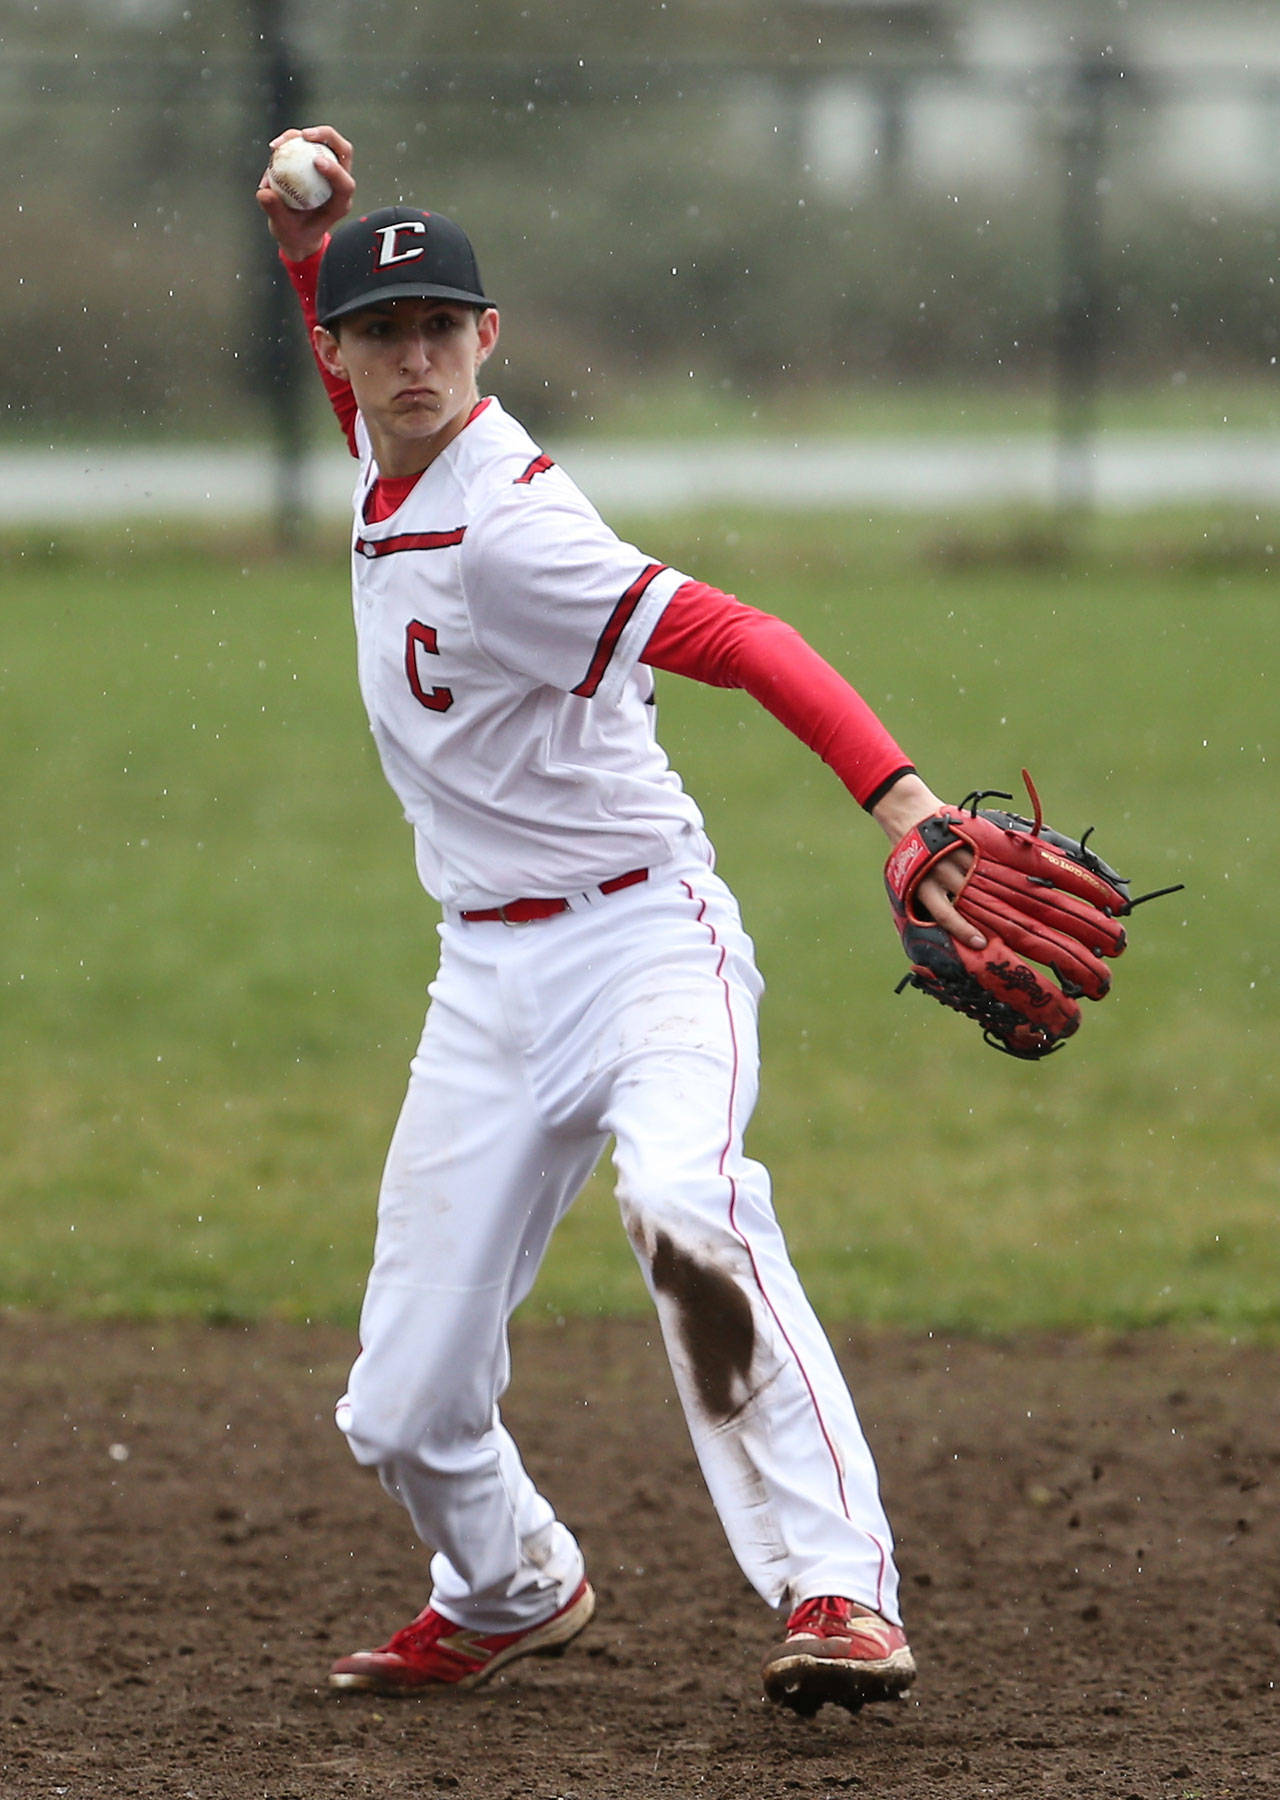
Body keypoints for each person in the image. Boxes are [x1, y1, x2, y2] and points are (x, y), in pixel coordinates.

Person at [255, 126, 979, 1719]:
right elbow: (365, 415)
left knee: (690, 1211)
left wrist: (901, 799)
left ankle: (840, 1592)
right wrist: (309, 244)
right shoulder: (389, 456)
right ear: (343, 354)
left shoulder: (513, 522)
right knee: (399, 1405)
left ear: (488, 338)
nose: (416, 354)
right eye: (383, 331)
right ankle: (511, 1586)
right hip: (485, 978)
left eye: (444, 324)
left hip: (645, 942)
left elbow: (735, 631)